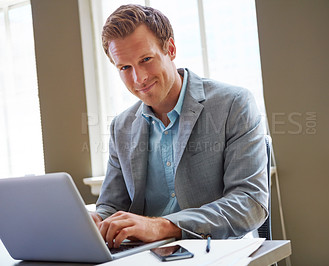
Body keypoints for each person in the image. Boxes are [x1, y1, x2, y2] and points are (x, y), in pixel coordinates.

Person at [90, 4, 269, 248]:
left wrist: (162, 226)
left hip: (216, 251)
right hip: (143, 255)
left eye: (146, 59)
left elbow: (249, 203)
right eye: (125, 67)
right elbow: (112, 206)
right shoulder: (121, 127)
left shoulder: (233, 105)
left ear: (170, 49)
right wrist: (96, 221)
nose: (138, 78)